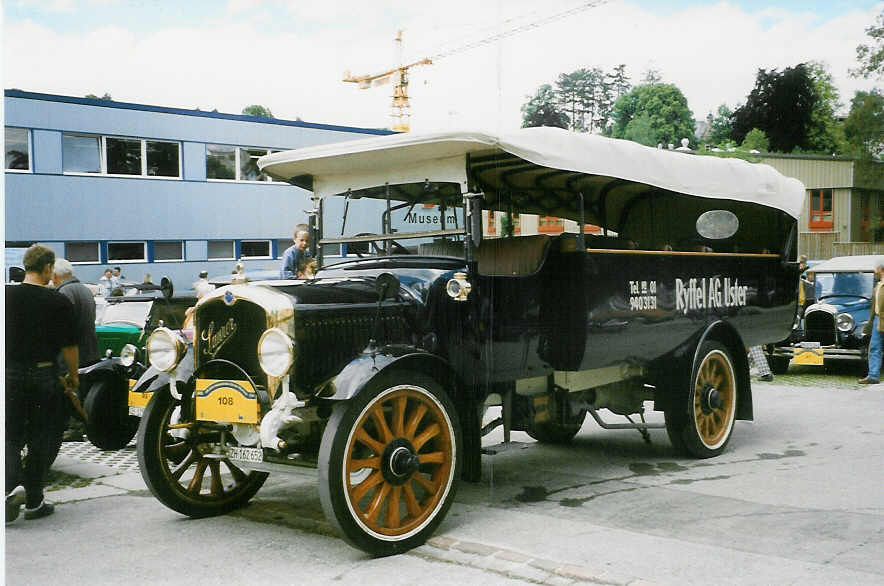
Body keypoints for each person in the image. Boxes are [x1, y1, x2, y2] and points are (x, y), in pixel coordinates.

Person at [6, 245, 80, 522]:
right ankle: (33, 498)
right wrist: (74, 377)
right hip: (43, 375)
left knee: (10, 436)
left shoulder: (5, 296)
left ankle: (9, 489)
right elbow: (70, 347)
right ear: (48, 268)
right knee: (44, 437)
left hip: (9, 375)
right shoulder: (57, 301)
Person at [53, 259, 100, 442]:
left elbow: (63, 325)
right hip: (90, 348)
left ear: (56, 275)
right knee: (84, 389)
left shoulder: (64, 292)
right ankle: (83, 425)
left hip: (73, 350)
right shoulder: (85, 290)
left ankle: (75, 428)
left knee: (71, 389)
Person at [858, 259, 884, 384]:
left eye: (876, 268)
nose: (874, 270)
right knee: (874, 348)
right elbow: (874, 307)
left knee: (875, 348)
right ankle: (873, 375)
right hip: (877, 320)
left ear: (881, 269)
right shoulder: (878, 286)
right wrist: (870, 323)